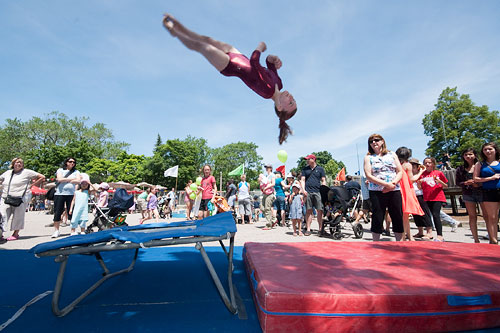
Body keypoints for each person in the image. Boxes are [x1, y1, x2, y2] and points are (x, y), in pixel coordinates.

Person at [162, 14, 297, 144]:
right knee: (206, 39)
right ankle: (179, 26)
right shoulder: (279, 83)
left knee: (203, 46)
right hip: (238, 56)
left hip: (230, 66)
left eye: (290, 103)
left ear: (279, 107)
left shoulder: (267, 92)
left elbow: (255, 62)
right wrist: (273, 58)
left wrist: (260, 47)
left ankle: (175, 32)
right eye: (293, 100)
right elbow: (269, 65)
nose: (291, 98)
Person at [363, 134, 404, 241]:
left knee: (397, 215)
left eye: (376, 140)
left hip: (394, 189)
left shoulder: (392, 154)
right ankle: (376, 241)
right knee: (377, 215)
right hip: (377, 190)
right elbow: (368, 175)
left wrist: (393, 184)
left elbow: (400, 171)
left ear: (382, 142)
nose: (374, 143)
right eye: (371, 141)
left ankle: (399, 242)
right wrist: (386, 185)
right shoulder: (368, 157)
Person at [0, 158, 45, 242]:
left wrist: (32, 185)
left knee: (18, 216)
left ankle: (15, 234)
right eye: (17, 162)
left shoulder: (27, 172)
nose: (19, 164)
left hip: (20, 197)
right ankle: (0, 233)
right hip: (5, 197)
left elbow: (42, 177)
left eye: (21, 163)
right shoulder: (7, 173)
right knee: (2, 215)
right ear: (13, 164)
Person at [395, 147, 425, 241]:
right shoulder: (407, 165)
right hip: (406, 189)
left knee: (403, 215)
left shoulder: (396, 164)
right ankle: (404, 236)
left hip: (397, 189)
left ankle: (408, 236)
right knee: (405, 216)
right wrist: (421, 172)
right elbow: (411, 180)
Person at [473, 142, 500, 244]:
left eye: (490, 149)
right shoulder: (480, 164)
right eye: (485, 150)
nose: (488, 151)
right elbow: (475, 178)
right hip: (489, 191)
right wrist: (490, 178)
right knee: (492, 217)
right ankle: (493, 240)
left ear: (495, 150)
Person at [456, 148, 482, 243]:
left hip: (482, 192)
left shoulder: (480, 166)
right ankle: (476, 239)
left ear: (475, 155)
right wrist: (466, 183)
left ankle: (491, 236)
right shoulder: (461, 169)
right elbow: (458, 182)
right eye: (466, 154)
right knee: (472, 216)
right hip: (468, 193)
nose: (468, 156)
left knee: (487, 215)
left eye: (470, 154)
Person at [419, 157, 448, 242]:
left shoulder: (438, 173)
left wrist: (438, 180)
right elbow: (420, 187)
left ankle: (440, 235)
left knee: (436, 215)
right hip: (427, 197)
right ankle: (429, 233)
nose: (427, 164)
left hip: (437, 197)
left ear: (433, 164)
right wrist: (419, 183)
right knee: (427, 215)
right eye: (425, 163)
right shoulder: (422, 174)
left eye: (429, 162)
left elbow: (446, 185)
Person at [52, 157, 81, 238]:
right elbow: (59, 179)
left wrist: (66, 179)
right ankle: (56, 230)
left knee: (71, 212)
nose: (72, 163)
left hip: (71, 194)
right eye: (70, 161)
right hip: (59, 194)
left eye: (74, 162)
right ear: (66, 162)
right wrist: (72, 179)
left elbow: (78, 181)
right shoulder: (60, 170)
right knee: (57, 212)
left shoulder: (76, 171)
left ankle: (73, 230)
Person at [301, 154, 326, 236]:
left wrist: (324, 190)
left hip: (318, 192)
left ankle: (320, 229)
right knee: (308, 211)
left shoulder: (320, 169)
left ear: (313, 159)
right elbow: (303, 180)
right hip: (308, 192)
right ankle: (308, 229)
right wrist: (303, 190)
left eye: (308, 159)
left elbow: (323, 180)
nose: (307, 161)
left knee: (320, 210)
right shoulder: (305, 169)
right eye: (306, 159)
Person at [409, 158, 434, 240]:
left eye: (414, 167)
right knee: (416, 214)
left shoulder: (422, 174)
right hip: (413, 195)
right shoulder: (409, 175)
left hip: (421, 195)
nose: (412, 169)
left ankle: (429, 232)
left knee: (425, 213)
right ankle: (420, 231)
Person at [261, 164, 277, 230]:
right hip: (265, 193)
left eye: (267, 167)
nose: (266, 169)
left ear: (271, 168)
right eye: (266, 167)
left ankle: (268, 225)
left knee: (267, 208)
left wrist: (266, 187)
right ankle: (273, 219)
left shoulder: (272, 175)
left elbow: (273, 183)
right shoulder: (267, 176)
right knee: (262, 207)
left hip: (270, 193)